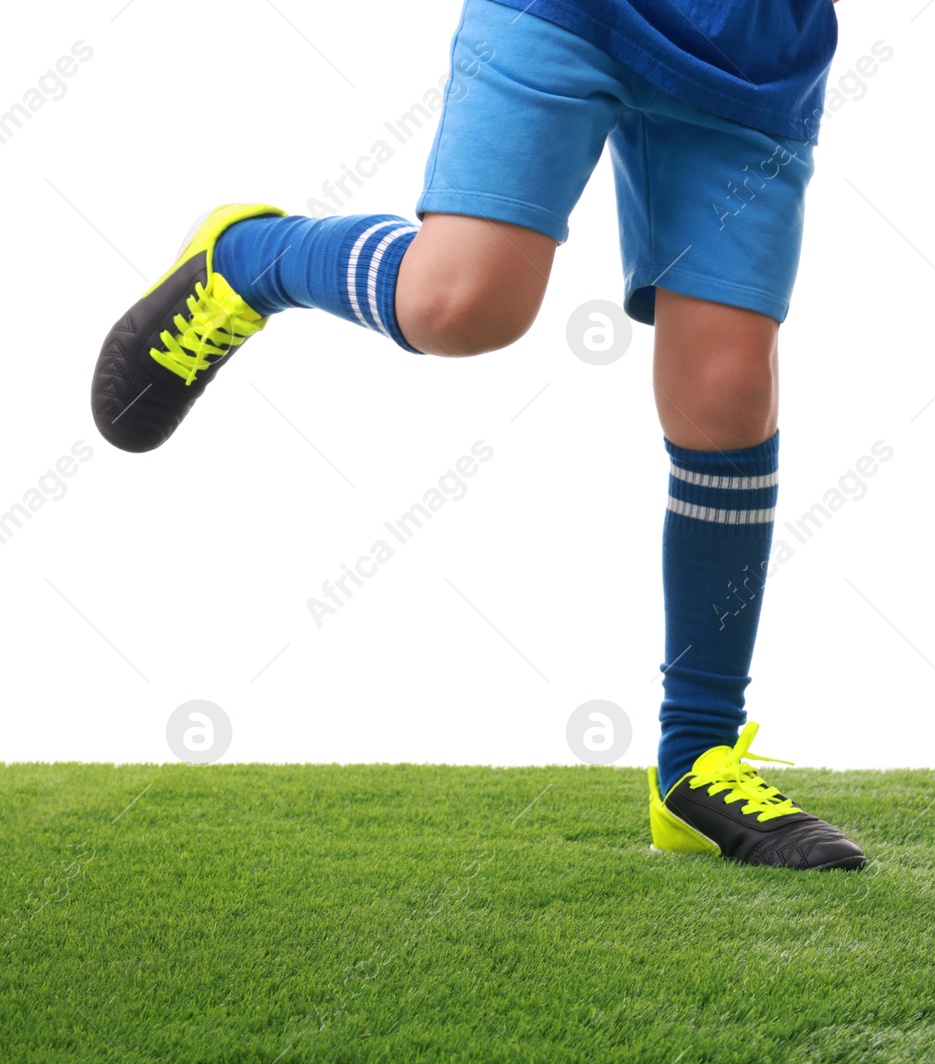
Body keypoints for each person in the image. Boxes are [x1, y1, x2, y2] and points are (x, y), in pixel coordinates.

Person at [89, 0, 864, 870]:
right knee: (459, 302)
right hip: (572, 13)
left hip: (755, 47)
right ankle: (251, 258)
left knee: (728, 388)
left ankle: (697, 760)